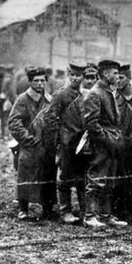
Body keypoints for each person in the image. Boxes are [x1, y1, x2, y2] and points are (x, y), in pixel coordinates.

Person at [42, 62, 89, 224]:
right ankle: (65, 211)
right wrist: (60, 137)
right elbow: (49, 118)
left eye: (79, 75)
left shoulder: (87, 94)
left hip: (83, 143)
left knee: (84, 177)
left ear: (83, 77)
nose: (76, 78)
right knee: (65, 177)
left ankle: (85, 210)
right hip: (67, 143)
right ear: (69, 75)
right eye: (73, 75)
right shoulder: (61, 95)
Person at [82, 60, 127, 228]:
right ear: (106, 74)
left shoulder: (108, 91)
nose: (117, 76)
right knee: (96, 180)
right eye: (115, 73)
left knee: (109, 180)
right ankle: (90, 216)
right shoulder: (95, 93)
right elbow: (91, 124)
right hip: (101, 145)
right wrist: (108, 140)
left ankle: (106, 215)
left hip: (111, 142)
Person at [7, 66, 52, 220]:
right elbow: (13, 122)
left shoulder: (49, 99)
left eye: (42, 80)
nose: (40, 84)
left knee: (47, 175)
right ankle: (23, 209)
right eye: (36, 81)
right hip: (29, 146)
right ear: (30, 82)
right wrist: (26, 138)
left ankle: (48, 208)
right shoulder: (23, 100)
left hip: (45, 145)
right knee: (25, 174)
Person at [112, 62, 132, 222]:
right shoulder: (113, 96)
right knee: (116, 177)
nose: (118, 80)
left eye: (121, 77)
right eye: (116, 77)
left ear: (129, 79)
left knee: (131, 178)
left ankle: (129, 208)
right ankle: (116, 209)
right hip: (116, 143)